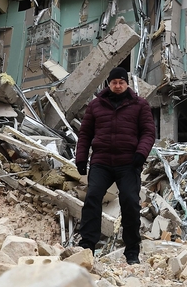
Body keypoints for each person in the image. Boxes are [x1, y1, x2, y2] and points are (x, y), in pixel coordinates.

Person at [74, 66, 155, 264]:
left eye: (121, 82)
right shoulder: (95, 106)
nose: (117, 85)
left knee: (129, 202)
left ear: (126, 84)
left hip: (128, 163)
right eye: (114, 82)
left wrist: (140, 154)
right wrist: (81, 158)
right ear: (108, 84)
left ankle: (132, 252)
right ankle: (87, 246)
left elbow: (148, 132)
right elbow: (85, 134)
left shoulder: (140, 105)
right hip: (101, 162)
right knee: (92, 198)